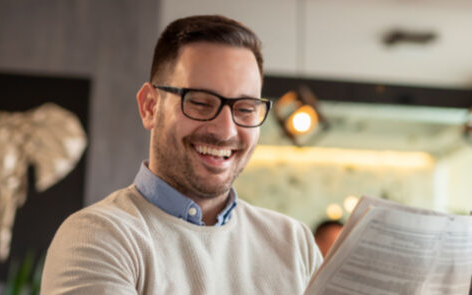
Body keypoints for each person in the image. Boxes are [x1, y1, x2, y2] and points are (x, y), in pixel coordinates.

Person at [42, 15, 322, 294]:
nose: (226, 131)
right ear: (150, 106)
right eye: (200, 103)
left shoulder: (295, 243)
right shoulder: (96, 237)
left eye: (245, 109)